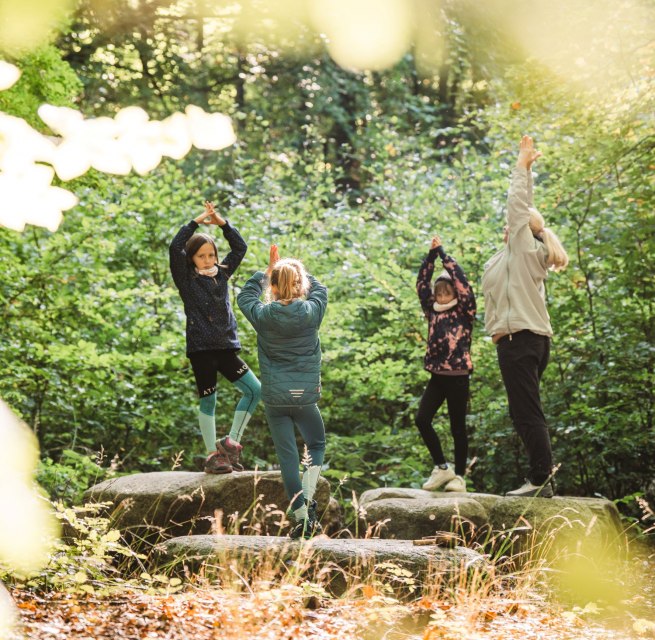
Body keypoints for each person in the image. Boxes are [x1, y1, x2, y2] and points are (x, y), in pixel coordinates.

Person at [481, 135, 569, 498]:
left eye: (517, 223)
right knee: (523, 411)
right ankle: (539, 478)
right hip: (524, 340)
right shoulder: (510, 258)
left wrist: (522, 167)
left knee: (526, 412)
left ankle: (539, 481)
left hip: (522, 341)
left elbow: (518, 203)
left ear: (523, 229)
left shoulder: (524, 249)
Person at [237, 245, 328, 539]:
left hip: (275, 398)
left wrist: (267, 272)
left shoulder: (263, 315)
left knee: (287, 457)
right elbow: (320, 288)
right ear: (301, 285)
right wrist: (295, 272)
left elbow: (244, 295)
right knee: (316, 443)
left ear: (273, 287)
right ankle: (309, 501)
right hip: (305, 396)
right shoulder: (312, 312)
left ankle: (301, 516)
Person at [169, 201, 261, 474]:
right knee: (208, 400)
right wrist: (196, 222)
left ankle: (230, 443)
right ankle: (212, 455)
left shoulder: (222, 274)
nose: (208, 260)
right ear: (191, 259)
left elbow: (240, 248)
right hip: (201, 349)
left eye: (211, 255)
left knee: (255, 390)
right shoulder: (186, 279)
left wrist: (221, 223)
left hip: (225, 347)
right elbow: (175, 247)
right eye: (201, 256)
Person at [416, 235, 476, 493]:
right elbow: (421, 284)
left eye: (445, 292)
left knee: (457, 427)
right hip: (438, 376)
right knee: (422, 419)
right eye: (438, 292)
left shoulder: (464, 311)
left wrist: (444, 255)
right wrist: (430, 257)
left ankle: (459, 477)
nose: (440, 296)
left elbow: (463, 284)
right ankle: (442, 468)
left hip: (459, 375)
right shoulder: (432, 311)